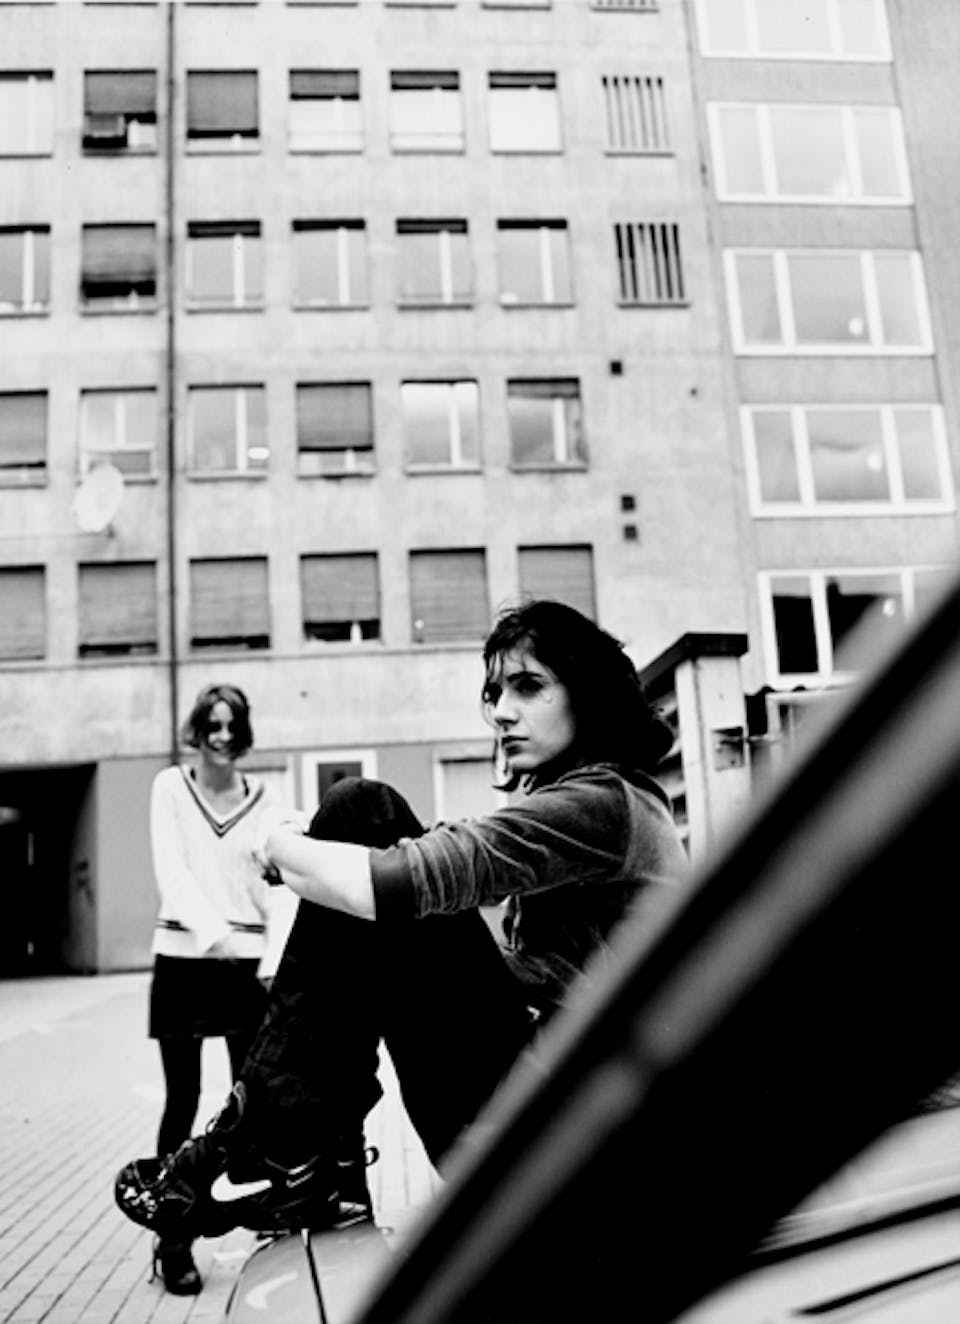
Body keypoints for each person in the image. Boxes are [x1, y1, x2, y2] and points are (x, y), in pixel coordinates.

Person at [116, 601, 690, 1244]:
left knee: (363, 811)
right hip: (532, 1116)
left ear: (588, 691)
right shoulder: (596, 801)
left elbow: (398, 877)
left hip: (555, 1137)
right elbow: (421, 876)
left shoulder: (606, 804)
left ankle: (283, 1149)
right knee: (360, 838)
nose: (502, 711)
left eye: (528, 687)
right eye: (496, 693)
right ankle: (310, 1157)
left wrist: (276, 843)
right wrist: (317, 857)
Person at [144, 683, 286, 1295]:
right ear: (197, 730)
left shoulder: (266, 798)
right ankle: (172, 1239)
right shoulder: (170, 787)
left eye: (232, 726)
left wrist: (269, 958)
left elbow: (276, 885)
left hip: (247, 967)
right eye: (212, 725)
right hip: (184, 956)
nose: (222, 737)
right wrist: (215, 936)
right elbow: (172, 870)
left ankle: (262, 1220)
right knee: (182, 1100)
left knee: (247, 1103)